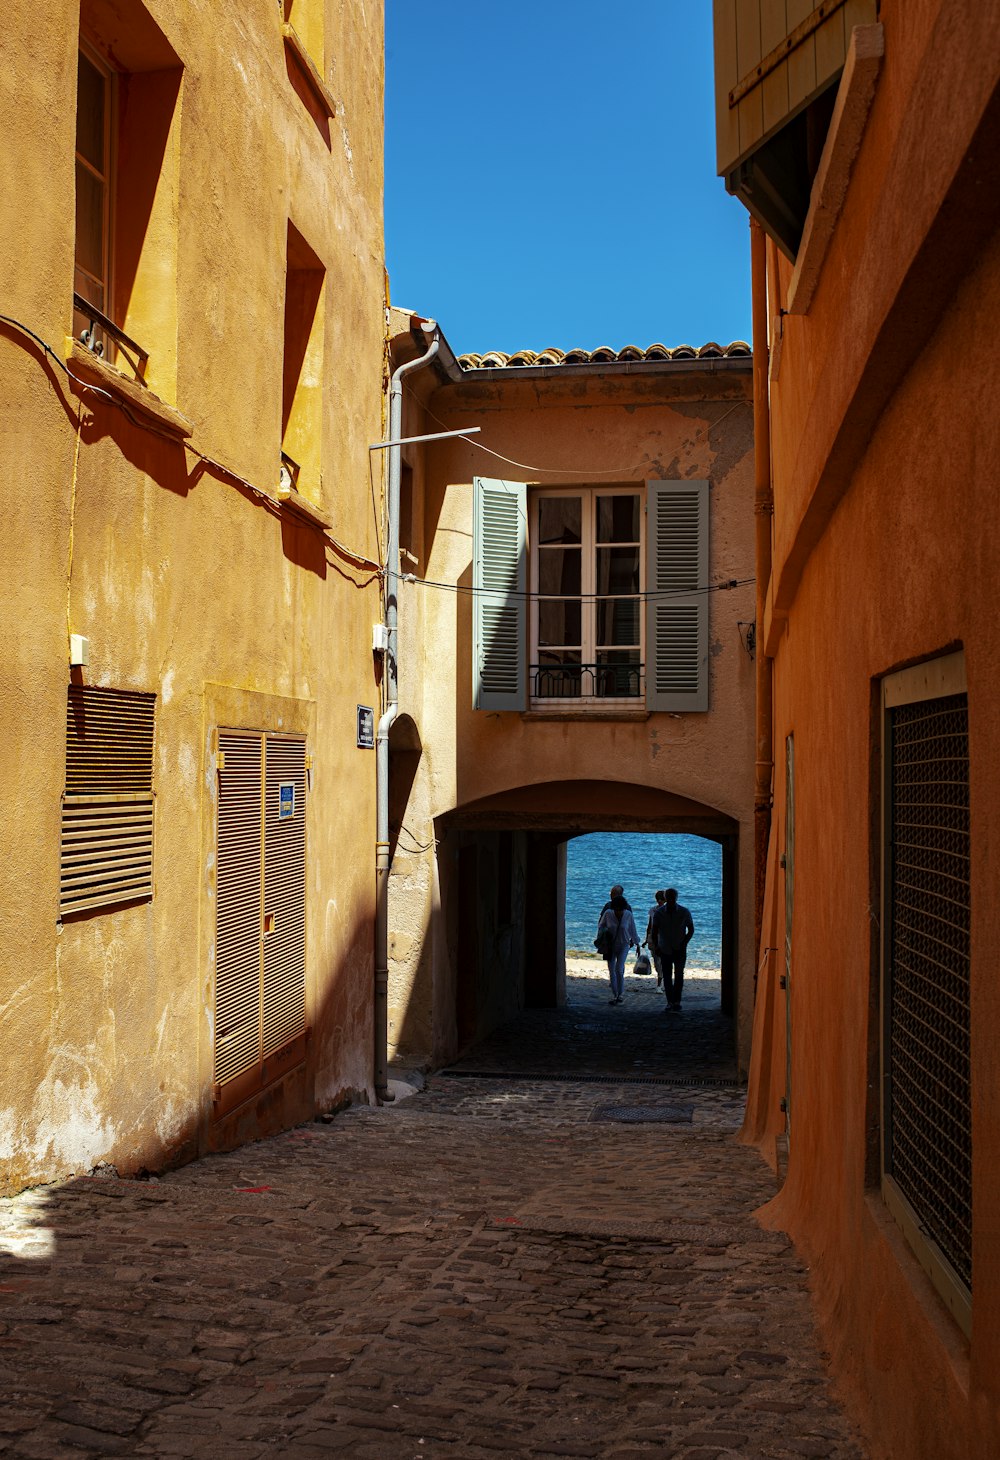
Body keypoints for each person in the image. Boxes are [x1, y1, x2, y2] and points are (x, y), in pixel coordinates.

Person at [651, 887, 694, 1011]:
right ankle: (671, 1001)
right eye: (668, 898)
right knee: (669, 976)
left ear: (675, 898)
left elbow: (691, 930)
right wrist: (657, 946)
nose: (670, 900)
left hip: (677, 948)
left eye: (672, 898)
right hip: (666, 948)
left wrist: (684, 943)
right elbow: (654, 932)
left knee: (678, 975)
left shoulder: (683, 912)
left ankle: (676, 1001)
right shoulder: (661, 913)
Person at [596, 892, 640, 1005]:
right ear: (613, 908)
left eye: (620, 910)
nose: (619, 912)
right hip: (610, 946)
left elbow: (632, 930)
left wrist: (637, 944)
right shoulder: (608, 913)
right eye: (617, 909)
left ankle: (620, 994)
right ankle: (615, 994)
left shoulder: (628, 915)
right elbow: (601, 926)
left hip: (624, 945)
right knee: (612, 970)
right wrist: (603, 937)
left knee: (619, 969)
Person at [645, 889, 666, 987]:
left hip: (664, 939)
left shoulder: (667, 911)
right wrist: (646, 939)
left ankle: (659, 984)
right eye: (658, 899)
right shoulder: (653, 910)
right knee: (656, 961)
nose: (660, 901)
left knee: (661, 961)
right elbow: (649, 925)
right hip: (653, 938)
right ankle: (661, 981)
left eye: (661, 899)